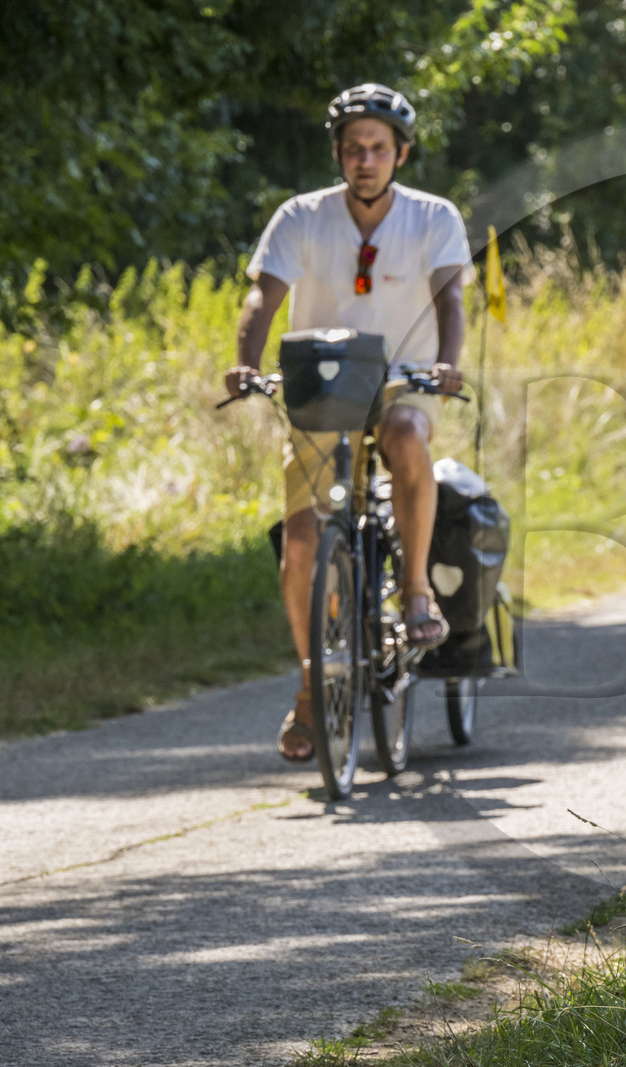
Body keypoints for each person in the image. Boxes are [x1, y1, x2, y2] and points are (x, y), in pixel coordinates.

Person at [223, 83, 470, 762]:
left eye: (379, 148)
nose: (366, 159)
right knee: (301, 541)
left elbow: (451, 297)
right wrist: (246, 363)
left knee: (407, 437)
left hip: (402, 379)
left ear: (401, 154)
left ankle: (416, 591)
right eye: (354, 148)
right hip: (321, 388)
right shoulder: (301, 216)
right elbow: (261, 298)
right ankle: (310, 689)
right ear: (338, 153)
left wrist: (446, 365)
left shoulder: (433, 218)